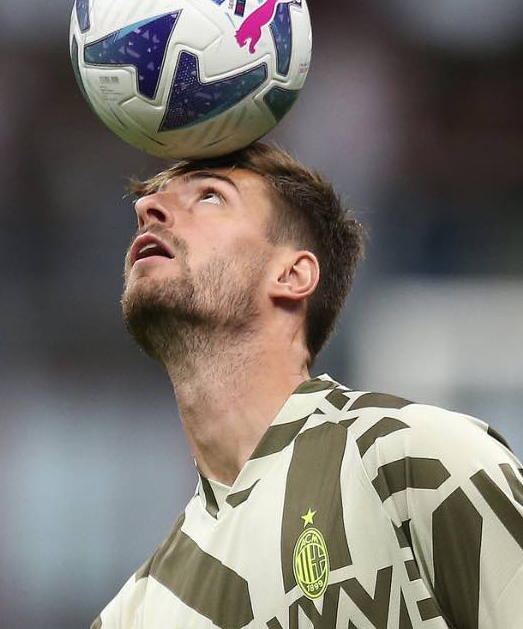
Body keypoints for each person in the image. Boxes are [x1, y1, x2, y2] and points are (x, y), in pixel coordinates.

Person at [94, 142, 523, 629]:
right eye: (150, 202)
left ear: (292, 274)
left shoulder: (418, 464)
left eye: (210, 197)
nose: (146, 209)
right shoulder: (137, 613)